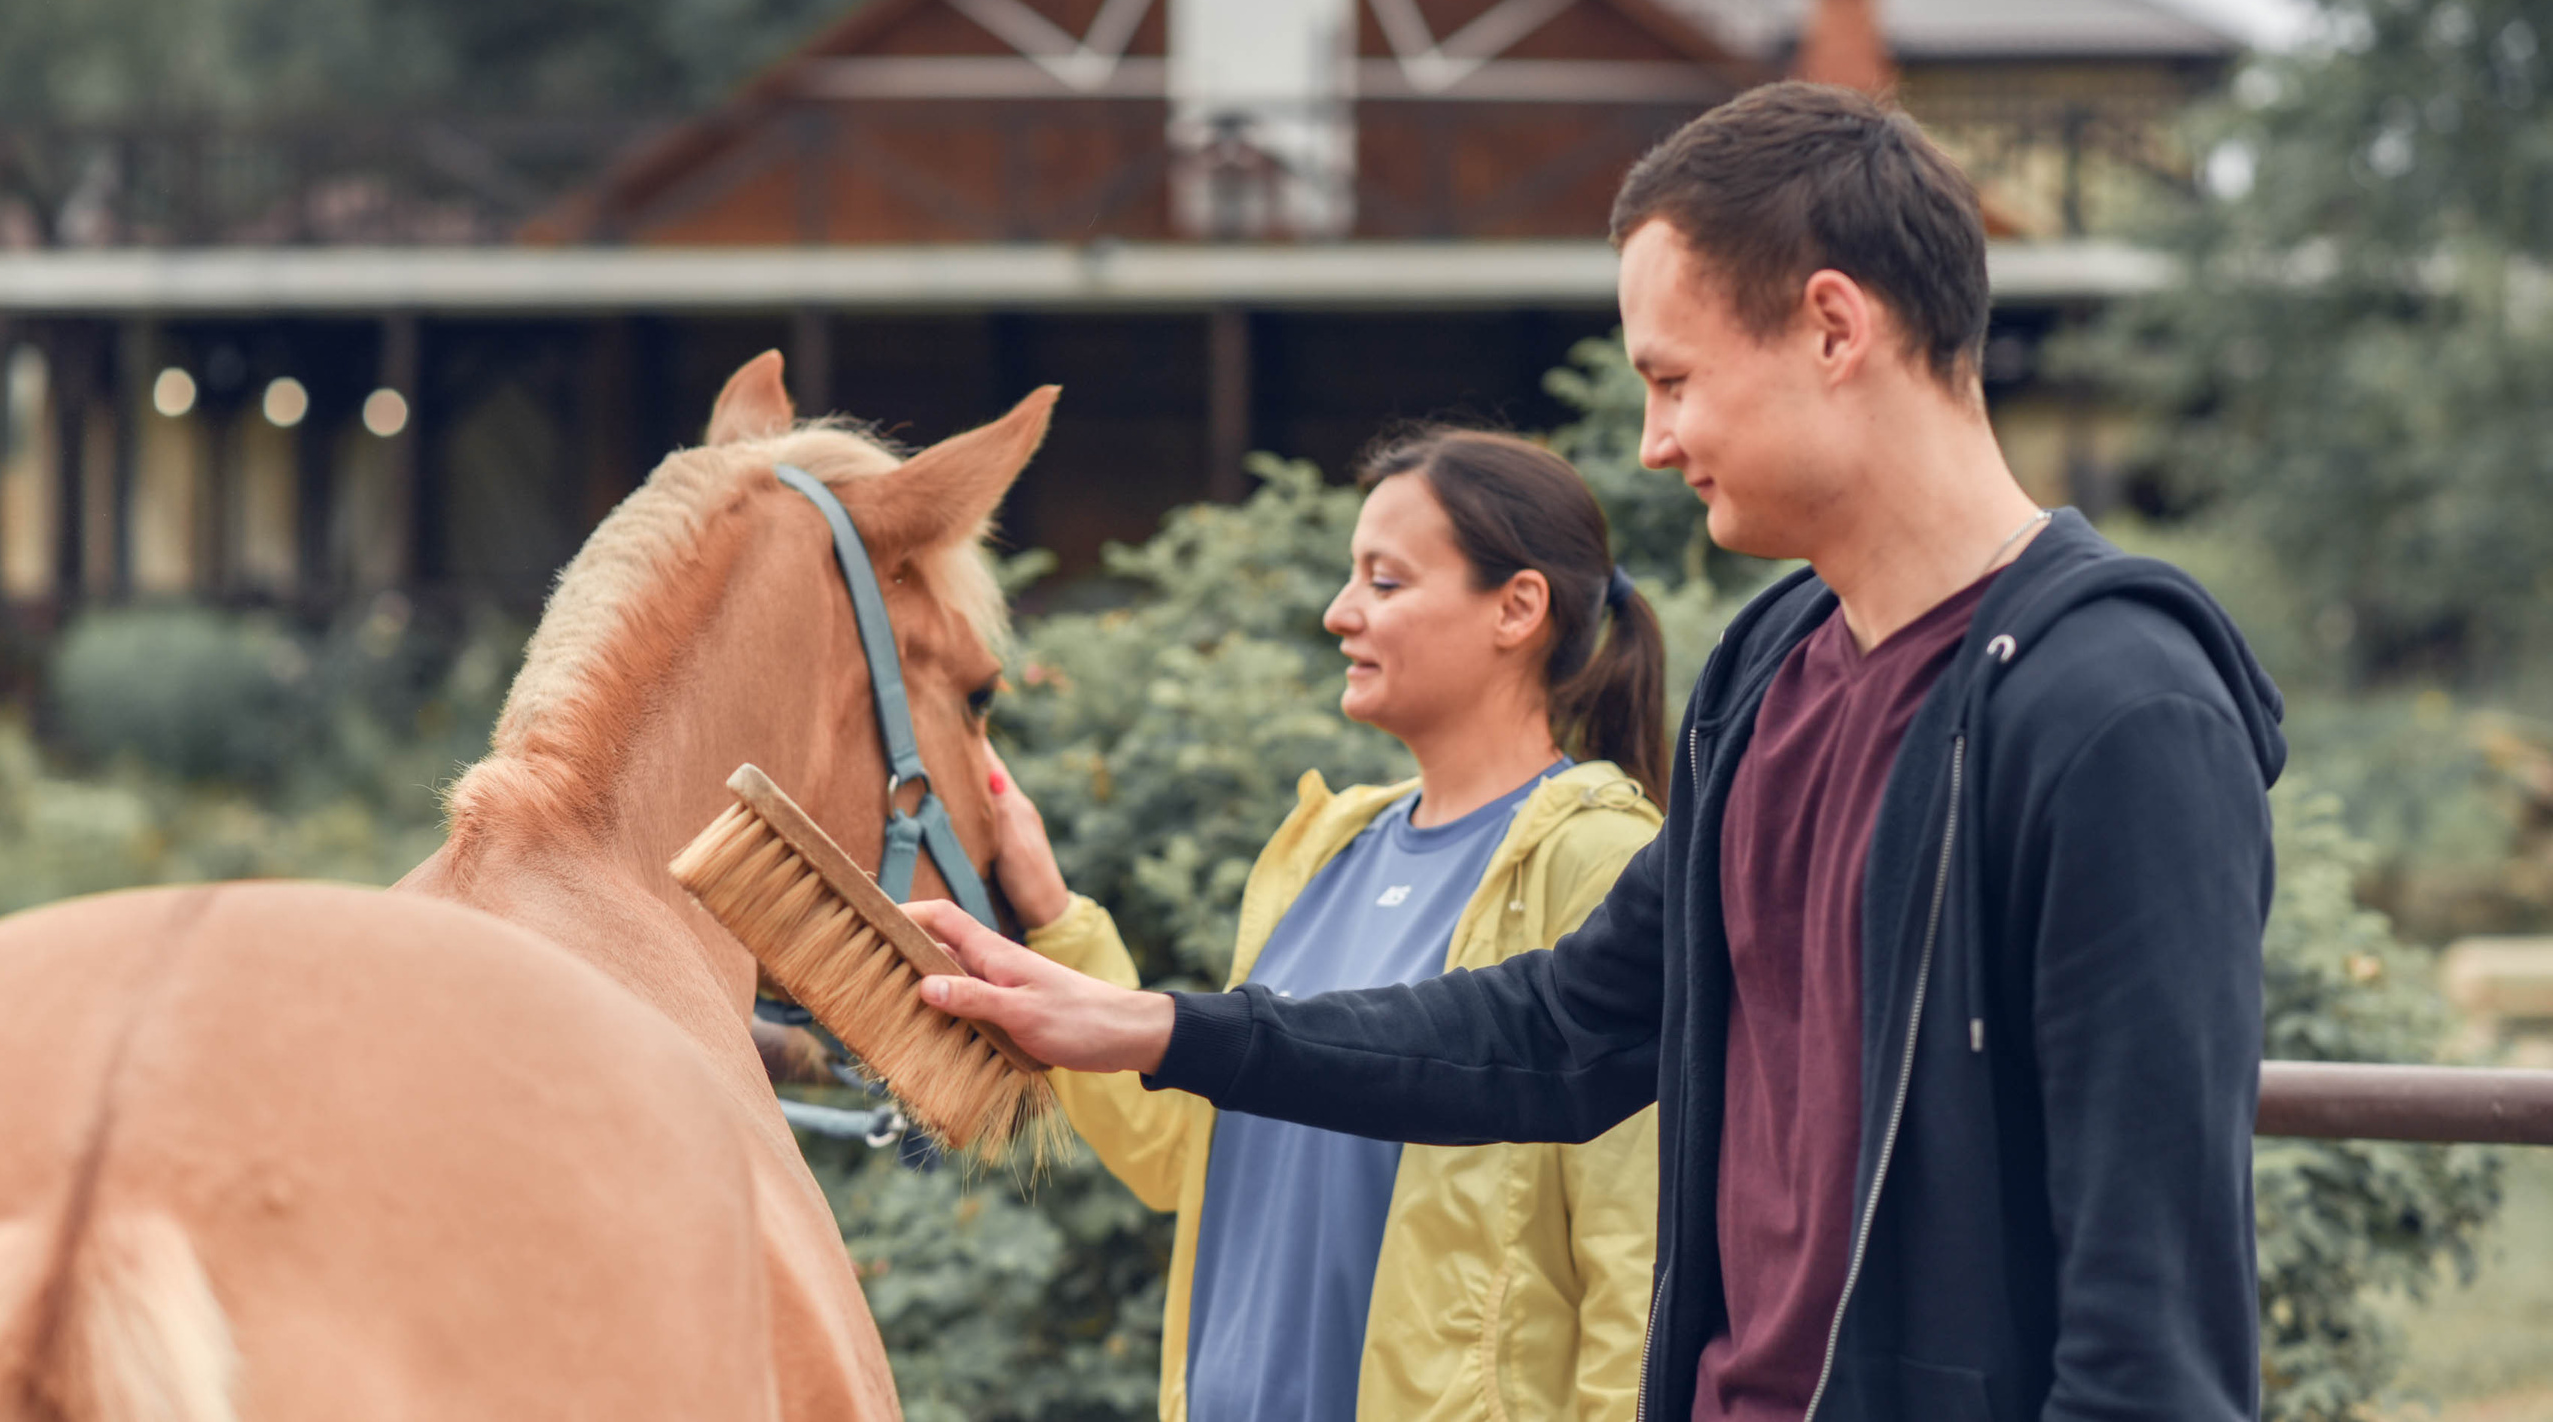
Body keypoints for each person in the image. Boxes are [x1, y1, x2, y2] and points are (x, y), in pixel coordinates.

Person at [919, 82, 2283, 1422]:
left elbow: (2150, 1353)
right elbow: (1562, 1029)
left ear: (1832, 327)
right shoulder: (1768, 675)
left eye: (1672, 379)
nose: (1653, 442)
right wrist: (1154, 1028)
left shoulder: (2119, 713)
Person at [985, 426, 1668, 1422]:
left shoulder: (1598, 858)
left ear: (1518, 607)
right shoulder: (1321, 847)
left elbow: (1637, 1257)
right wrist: (1052, 915)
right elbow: (1187, 1155)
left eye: (1384, 581)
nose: (1339, 611)